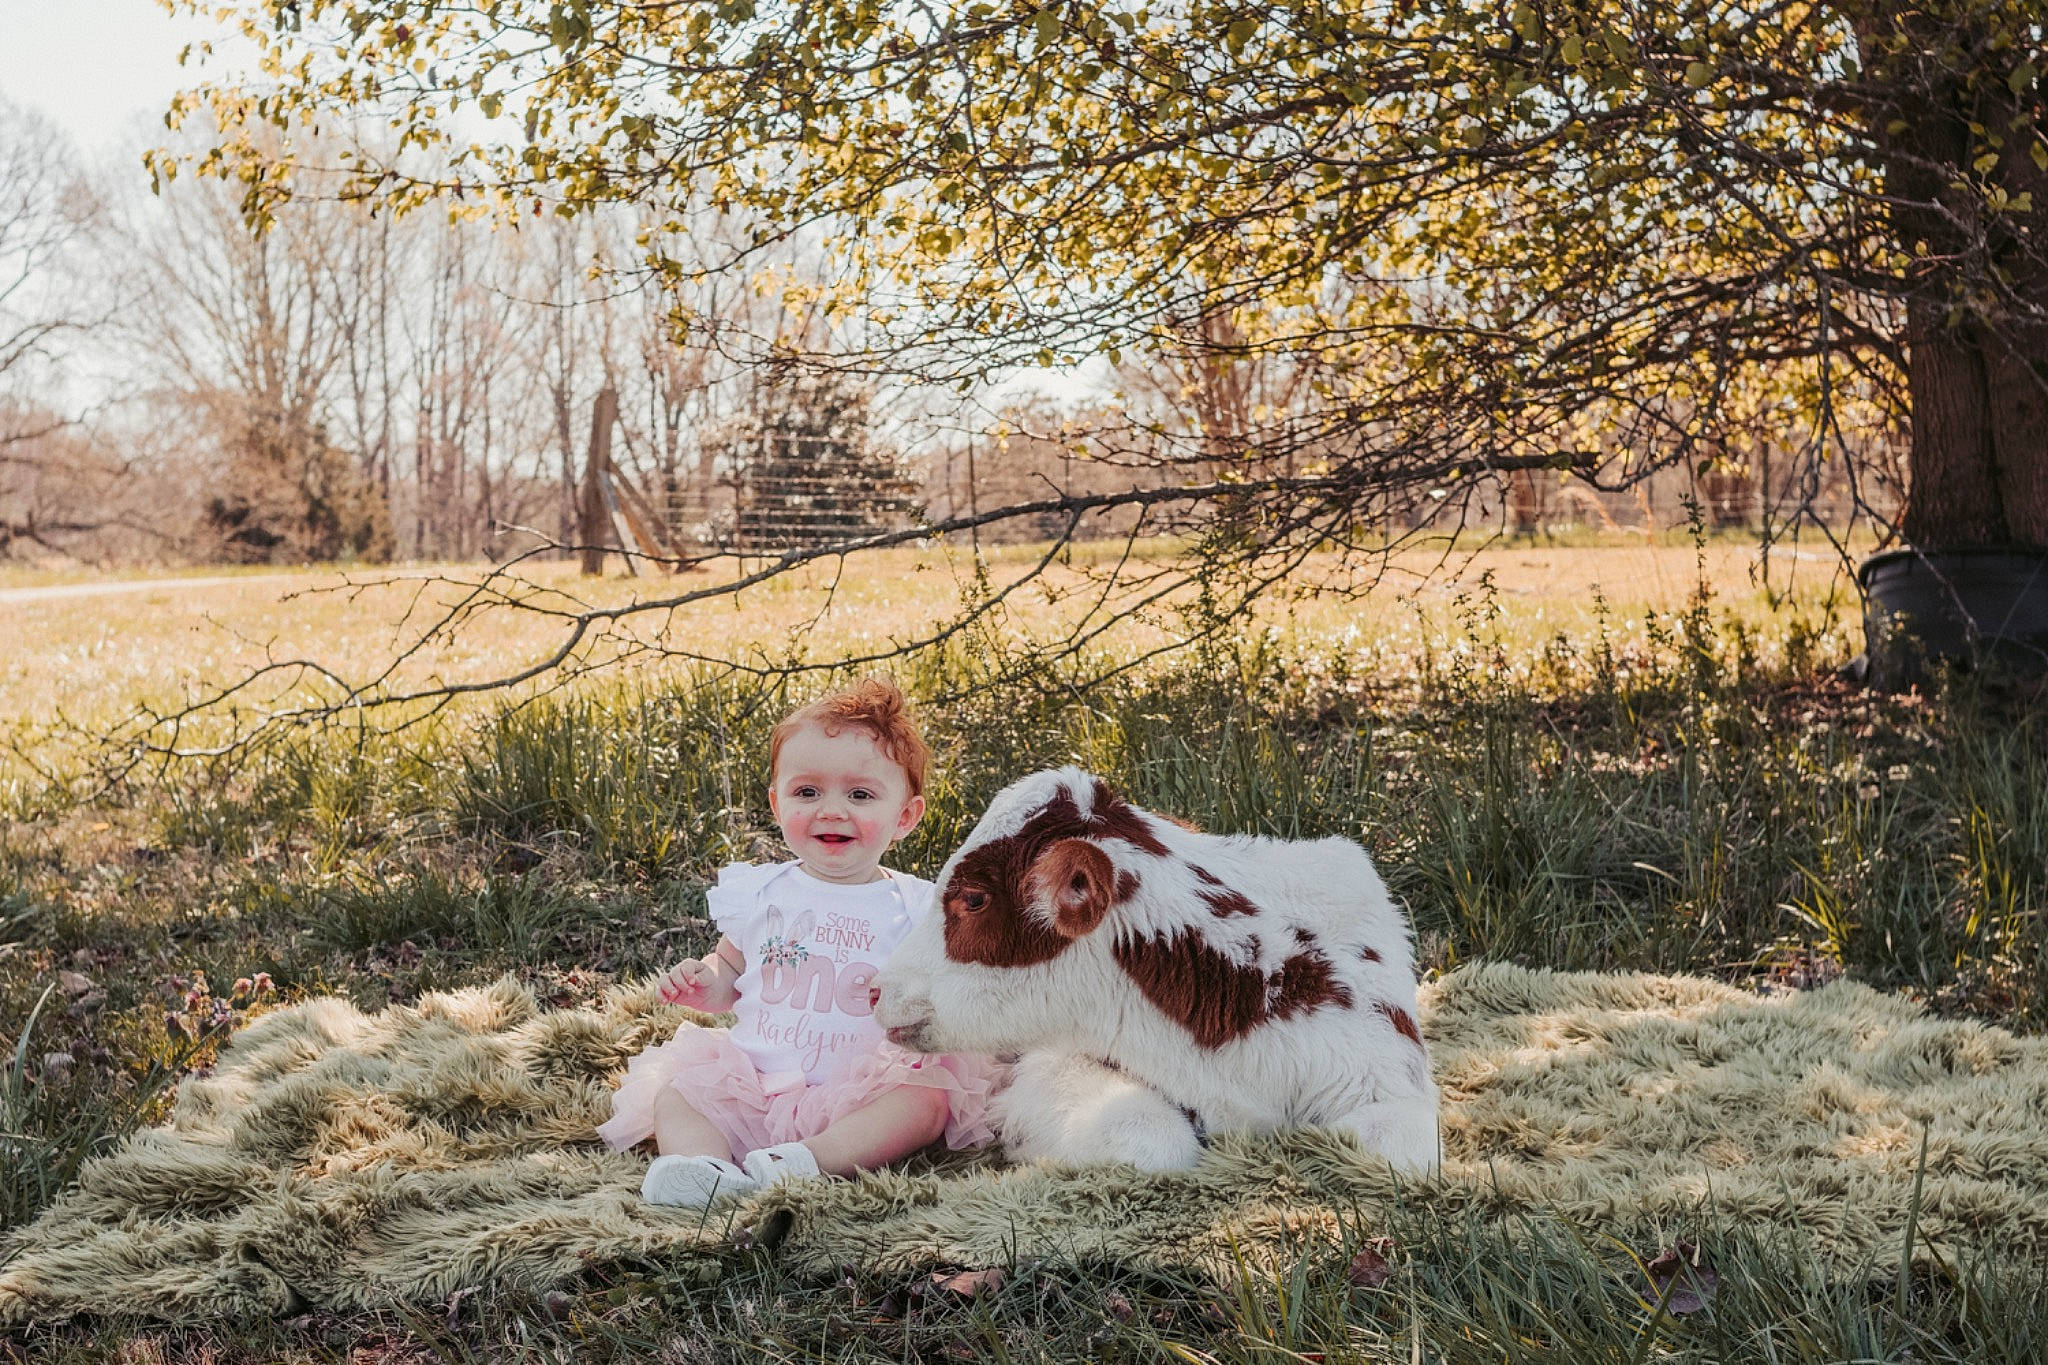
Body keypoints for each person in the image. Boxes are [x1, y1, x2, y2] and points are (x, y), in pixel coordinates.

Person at [599, 677, 1001, 1206]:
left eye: (859, 794)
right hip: (756, 1080)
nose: (831, 810)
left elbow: (945, 985)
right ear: (776, 802)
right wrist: (709, 984)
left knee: (926, 1099)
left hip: (861, 1090)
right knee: (677, 1093)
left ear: (905, 816)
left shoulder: (917, 907)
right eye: (807, 792)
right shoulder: (760, 892)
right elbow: (731, 971)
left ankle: (808, 1163)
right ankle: (702, 1170)